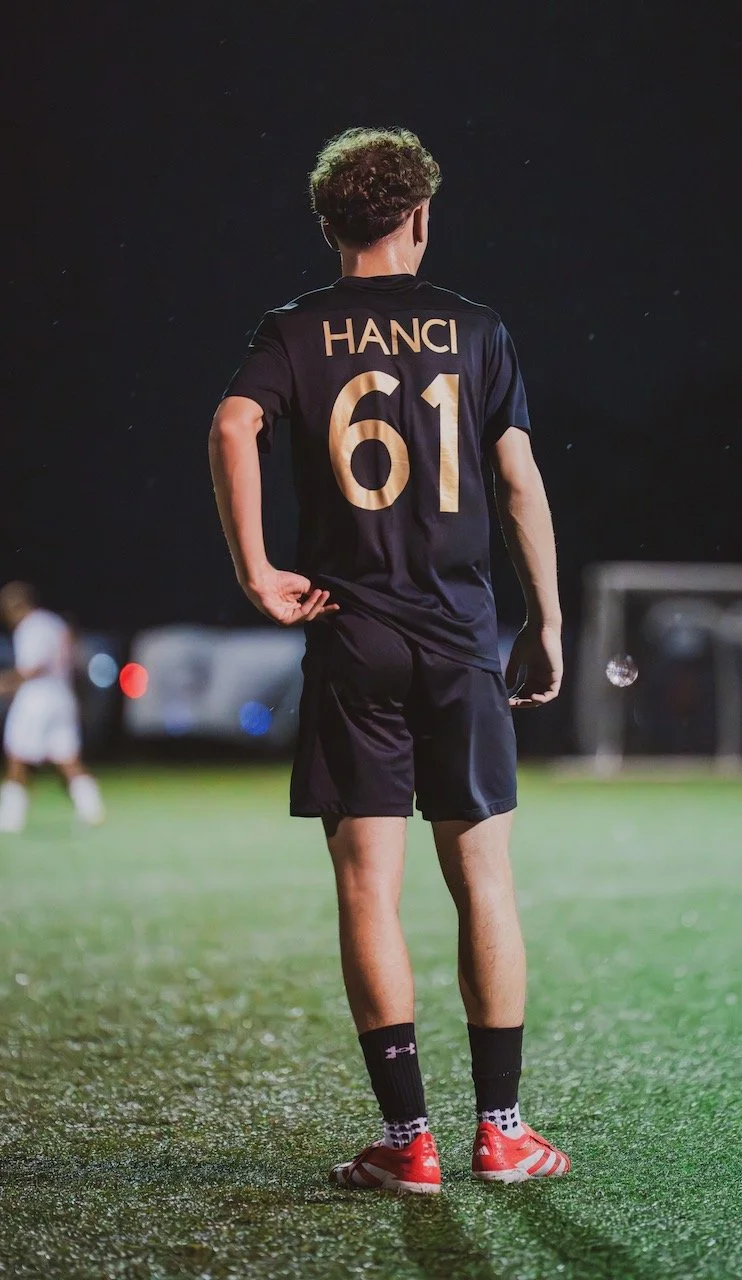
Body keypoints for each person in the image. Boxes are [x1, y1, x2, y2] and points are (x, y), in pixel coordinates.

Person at [209, 127, 568, 1192]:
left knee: (369, 885)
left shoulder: (294, 329)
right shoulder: (475, 328)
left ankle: (408, 1141)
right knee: (482, 878)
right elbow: (516, 483)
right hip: (460, 633)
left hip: (349, 628)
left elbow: (234, 425)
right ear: (419, 217)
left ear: (328, 223)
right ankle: (500, 1130)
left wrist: (256, 569)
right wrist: (544, 617)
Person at [0, 582, 105, 833]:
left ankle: (10, 817)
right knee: (67, 757)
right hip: (61, 695)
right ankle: (91, 808)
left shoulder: (30, 627)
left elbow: (34, 666)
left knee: (17, 756)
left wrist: (7, 683)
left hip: (38, 699)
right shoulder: (54, 623)